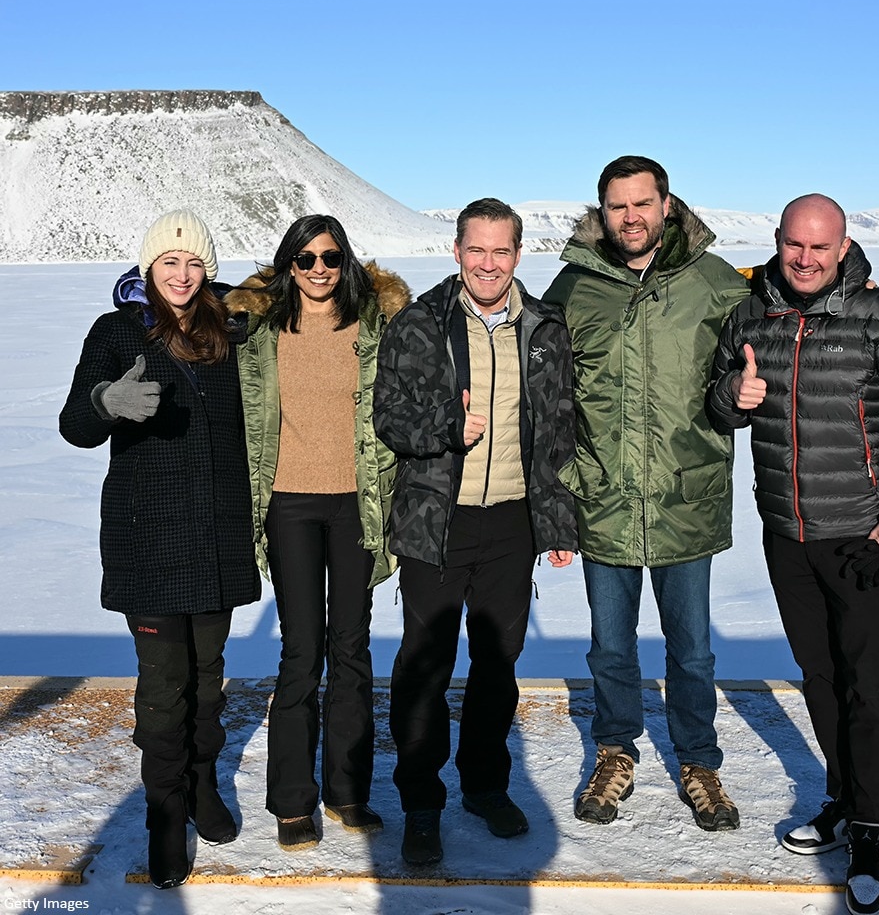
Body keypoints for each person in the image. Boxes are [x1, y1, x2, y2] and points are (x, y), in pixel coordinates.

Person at [708, 194, 879, 915]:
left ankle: (871, 828)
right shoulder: (754, 315)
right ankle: (842, 800)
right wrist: (734, 396)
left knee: (868, 685)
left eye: (819, 247)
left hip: (861, 533)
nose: (805, 260)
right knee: (818, 676)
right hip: (788, 530)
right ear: (778, 242)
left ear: (843, 247)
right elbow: (716, 402)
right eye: (793, 246)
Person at [543, 155, 749, 832]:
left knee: (692, 650)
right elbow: (547, 398)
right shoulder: (573, 289)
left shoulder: (714, 283)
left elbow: (785, 323)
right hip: (603, 498)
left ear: (666, 205)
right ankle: (615, 751)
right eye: (617, 206)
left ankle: (698, 760)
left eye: (642, 204)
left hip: (683, 495)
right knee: (609, 646)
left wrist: (866, 292)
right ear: (602, 212)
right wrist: (561, 495)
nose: (630, 217)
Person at [59, 210, 261, 889]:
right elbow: (74, 424)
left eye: (194, 263)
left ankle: (203, 786)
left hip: (216, 537)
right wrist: (106, 399)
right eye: (169, 262)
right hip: (149, 540)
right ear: (149, 268)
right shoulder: (117, 331)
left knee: (208, 683)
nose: (181, 275)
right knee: (163, 690)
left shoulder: (231, 335)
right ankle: (164, 815)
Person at [373, 198, 577, 867]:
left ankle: (485, 785)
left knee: (497, 665)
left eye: (501, 251)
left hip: (512, 520)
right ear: (456, 252)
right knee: (425, 666)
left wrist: (557, 518)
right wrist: (445, 434)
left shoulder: (545, 326)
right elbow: (389, 419)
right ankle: (421, 802)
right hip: (439, 518)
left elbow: (558, 428)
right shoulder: (419, 324)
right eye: (476, 250)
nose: (488, 263)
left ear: (518, 255)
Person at [225, 215, 410, 850]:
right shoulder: (259, 327)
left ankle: (348, 790)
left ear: (347, 261)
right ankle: (292, 801)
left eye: (330, 257)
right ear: (288, 264)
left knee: (352, 650)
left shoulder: (376, 324)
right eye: (305, 259)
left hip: (357, 503)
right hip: (290, 505)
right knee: (302, 651)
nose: (319, 269)